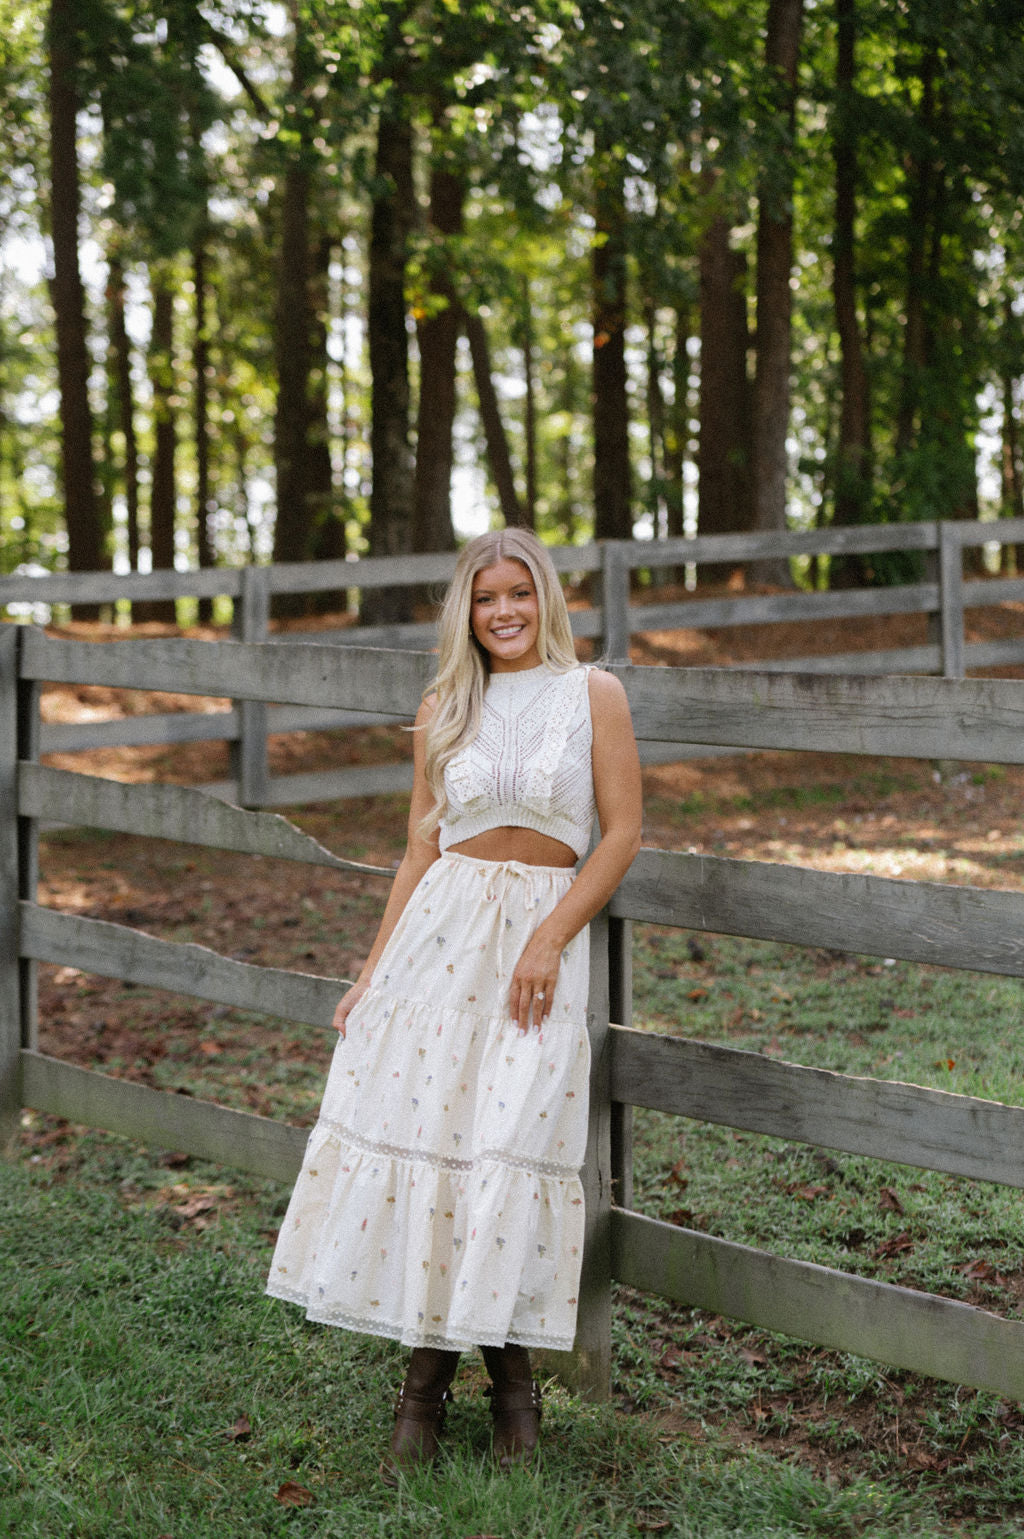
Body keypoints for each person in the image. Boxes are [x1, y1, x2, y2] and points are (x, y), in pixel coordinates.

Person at [266, 527, 642, 1480]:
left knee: (507, 1147)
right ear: (466, 611)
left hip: (534, 949)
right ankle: (472, 1395)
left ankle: (442, 1396)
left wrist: (551, 936)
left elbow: (624, 831)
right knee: (442, 1153)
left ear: (545, 597)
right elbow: (419, 852)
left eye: (519, 592)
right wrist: (369, 971)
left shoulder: (594, 693)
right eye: (486, 598)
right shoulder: (445, 701)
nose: (504, 611)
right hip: (440, 948)